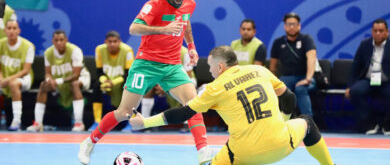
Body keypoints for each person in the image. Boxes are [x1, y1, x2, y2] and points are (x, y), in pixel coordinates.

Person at [79, 0, 216, 165]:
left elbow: (186, 23)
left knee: (194, 104)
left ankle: (202, 151)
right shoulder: (154, 4)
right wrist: (164, 29)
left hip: (172, 66)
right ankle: (89, 143)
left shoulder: (189, 4)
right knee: (125, 112)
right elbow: (133, 28)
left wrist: (192, 47)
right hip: (146, 64)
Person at [130, 46, 334, 165]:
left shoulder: (214, 87)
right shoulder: (259, 71)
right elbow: (289, 98)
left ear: (219, 66)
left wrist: (145, 122)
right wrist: (283, 123)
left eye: (210, 67)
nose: (209, 71)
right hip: (281, 145)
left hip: (243, 155)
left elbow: (184, 113)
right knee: (307, 121)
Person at [26, 30, 90, 132]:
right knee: (43, 85)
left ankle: (79, 122)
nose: (59, 42)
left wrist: (58, 81)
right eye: (56, 40)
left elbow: (76, 75)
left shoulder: (75, 50)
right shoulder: (48, 52)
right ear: (52, 41)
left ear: (66, 40)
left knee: (74, 84)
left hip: (81, 78)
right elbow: (47, 73)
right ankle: (38, 123)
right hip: (59, 81)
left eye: (61, 40)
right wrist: (49, 80)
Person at [345, 18, 390, 135]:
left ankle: (387, 125)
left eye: (381, 30)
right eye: (375, 30)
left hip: (387, 81)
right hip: (368, 80)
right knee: (355, 91)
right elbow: (355, 67)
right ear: (372, 32)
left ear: (387, 32)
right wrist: (349, 86)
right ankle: (369, 124)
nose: (378, 33)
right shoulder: (365, 44)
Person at [270, 12, 317, 116]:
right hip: (286, 78)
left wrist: (308, 79)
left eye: (294, 24)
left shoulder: (306, 39)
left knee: (300, 89)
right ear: (284, 26)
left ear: (299, 26)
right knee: (280, 90)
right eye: (288, 24)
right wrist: (272, 82)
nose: (291, 27)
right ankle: (283, 122)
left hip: (305, 76)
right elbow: (273, 65)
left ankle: (308, 121)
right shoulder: (278, 42)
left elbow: (311, 59)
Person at [87, 31, 134, 132]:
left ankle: (131, 122)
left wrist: (114, 82)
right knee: (96, 86)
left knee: (131, 88)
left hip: (121, 81)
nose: (112, 44)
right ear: (105, 42)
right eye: (110, 42)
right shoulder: (99, 49)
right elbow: (99, 72)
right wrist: (104, 81)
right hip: (106, 82)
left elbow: (128, 75)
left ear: (119, 42)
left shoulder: (128, 51)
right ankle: (97, 122)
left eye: (115, 41)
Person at [0, 20, 35, 131]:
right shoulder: (0, 44)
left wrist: (7, 80)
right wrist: (1, 79)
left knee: (13, 84)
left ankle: (16, 121)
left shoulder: (28, 46)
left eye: (14, 28)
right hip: (3, 77)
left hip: (23, 78)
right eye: (9, 28)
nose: (11, 31)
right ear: (5, 31)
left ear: (19, 31)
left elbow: (25, 70)